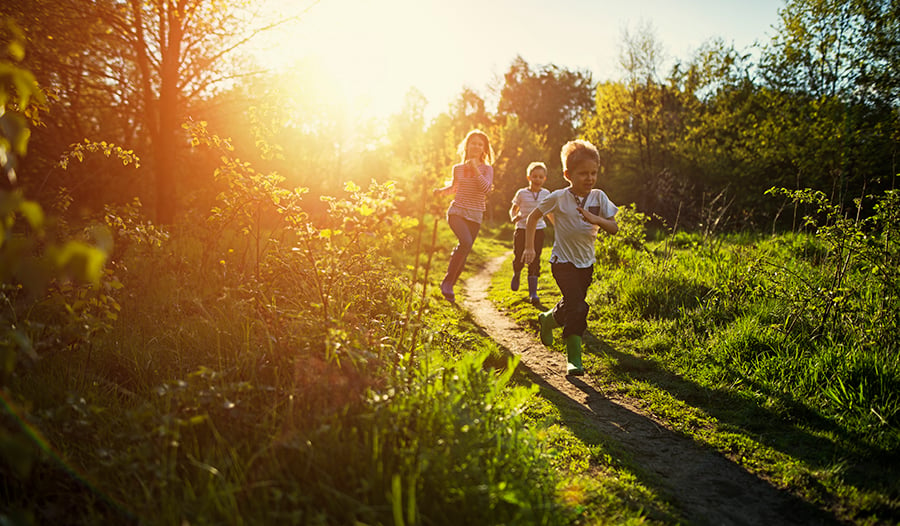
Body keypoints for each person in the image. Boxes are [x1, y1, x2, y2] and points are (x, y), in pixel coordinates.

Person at [522, 140, 618, 375]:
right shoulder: (558, 197)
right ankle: (574, 359)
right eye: (583, 173)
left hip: (587, 264)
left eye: (593, 173)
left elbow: (614, 227)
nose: (589, 178)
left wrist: (597, 220)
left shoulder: (599, 197)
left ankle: (548, 319)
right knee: (578, 306)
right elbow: (532, 218)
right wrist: (529, 248)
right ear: (568, 174)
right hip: (562, 262)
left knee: (572, 305)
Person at [433, 129, 495, 303]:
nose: (476, 146)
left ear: (484, 149)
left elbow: (486, 189)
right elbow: (454, 188)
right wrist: (440, 192)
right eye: (473, 142)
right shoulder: (458, 169)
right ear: (467, 145)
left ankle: (450, 284)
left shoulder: (487, 169)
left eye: (480, 144)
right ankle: (447, 282)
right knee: (466, 242)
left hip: (475, 215)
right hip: (457, 212)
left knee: (464, 249)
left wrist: (475, 168)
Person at [509, 161, 551, 304]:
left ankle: (533, 293)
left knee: (535, 258)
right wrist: (514, 217)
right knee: (519, 255)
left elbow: (550, 212)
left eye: (540, 177)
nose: (537, 179)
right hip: (521, 229)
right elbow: (513, 208)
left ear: (544, 178)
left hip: (538, 230)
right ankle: (517, 272)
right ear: (529, 177)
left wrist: (558, 226)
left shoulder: (546, 194)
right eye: (534, 176)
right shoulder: (521, 193)